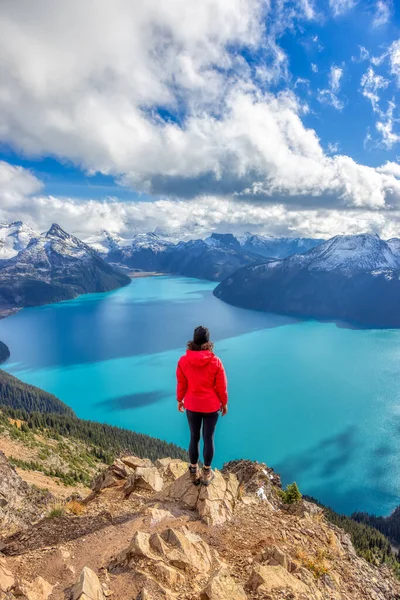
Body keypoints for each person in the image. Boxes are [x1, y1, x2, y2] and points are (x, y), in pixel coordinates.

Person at [176, 325, 228, 486]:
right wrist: (224, 403)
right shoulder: (215, 361)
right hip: (211, 406)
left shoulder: (184, 361)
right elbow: (221, 386)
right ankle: (206, 472)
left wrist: (180, 400)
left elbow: (181, 383)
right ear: (208, 341)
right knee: (208, 438)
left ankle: (193, 471)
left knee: (194, 437)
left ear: (193, 340)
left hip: (191, 405)